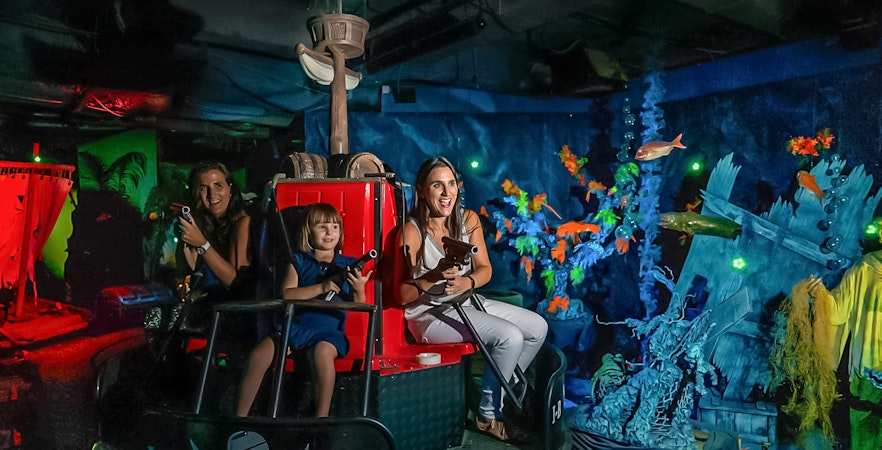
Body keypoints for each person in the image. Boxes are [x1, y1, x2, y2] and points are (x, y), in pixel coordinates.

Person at [397, 157, 548, 443]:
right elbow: (403, 295)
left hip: (466, 300)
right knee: (510, 337)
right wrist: (435, 275)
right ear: (421, 190)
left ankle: (500, 393)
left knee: (538, 328)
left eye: (451, 184)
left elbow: (485, 270)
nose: (446, 193)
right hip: (429, 314)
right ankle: (488, 416)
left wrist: (466, 281)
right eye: (437, 185)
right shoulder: (412, 231)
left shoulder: (468, 219)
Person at [236, 202, 371, 418]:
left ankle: (321, 419)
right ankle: (239, 419)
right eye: (322, 227)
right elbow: (288, 294)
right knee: (259, 355)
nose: (329, 233)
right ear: (309, 231)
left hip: (327, 332)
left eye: (334, 227)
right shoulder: (298, 261)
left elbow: (360, 304)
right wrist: (322, 287)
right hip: (295, 328)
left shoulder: (348, 265)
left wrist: (358, 287)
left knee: (322, 353)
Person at [807, 244, 882, 450]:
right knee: (866, 433)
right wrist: (821, 296)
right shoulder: (867, 266)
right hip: (870, 367)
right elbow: (838, 311)